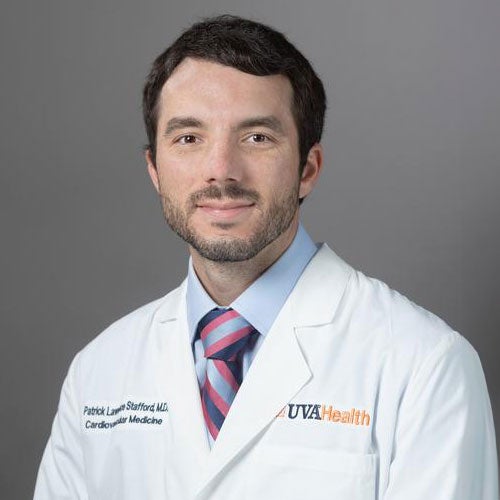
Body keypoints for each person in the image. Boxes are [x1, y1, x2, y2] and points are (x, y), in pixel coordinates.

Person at [34, 14, 498, 500]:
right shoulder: (99, 371)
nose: (220, 170)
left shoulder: (424, 366)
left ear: (307, 169)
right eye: (189, 138)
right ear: (155, 170)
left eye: (257, 137)